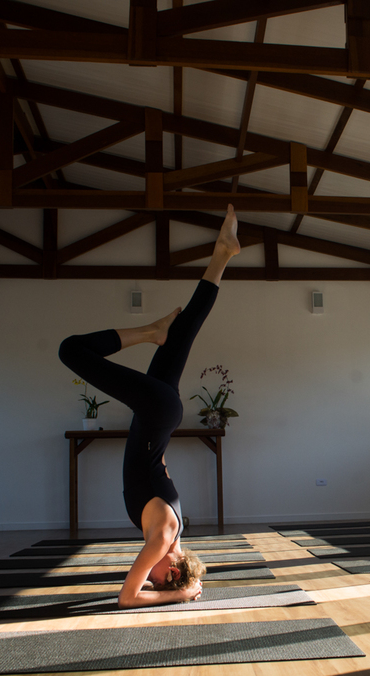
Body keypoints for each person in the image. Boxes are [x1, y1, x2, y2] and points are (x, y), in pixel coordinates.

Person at [58, 204, 241, 609]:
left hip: (161, 415)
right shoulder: (162, 539)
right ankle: (148, 331)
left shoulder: (174, 526)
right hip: (157, 412)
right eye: (160, 581)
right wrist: (183, 592)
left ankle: (222, 255)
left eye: (153, 583)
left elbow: (158, 466)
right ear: (172, 570)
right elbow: (126, 598)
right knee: (71, 350)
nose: (149, 578)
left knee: (184, 333)